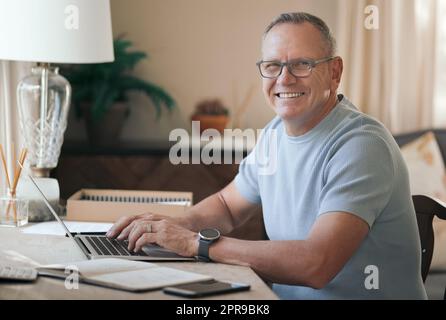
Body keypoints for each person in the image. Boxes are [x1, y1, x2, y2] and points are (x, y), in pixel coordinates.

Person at [107, 12, 427, 299]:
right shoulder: (274, 133)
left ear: (334, 71)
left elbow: (317, 264)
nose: (284, 79)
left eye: (302, 64)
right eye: (273, 66)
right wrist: (173, 227)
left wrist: (196, 244)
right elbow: (227, 207)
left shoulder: (361, 144)